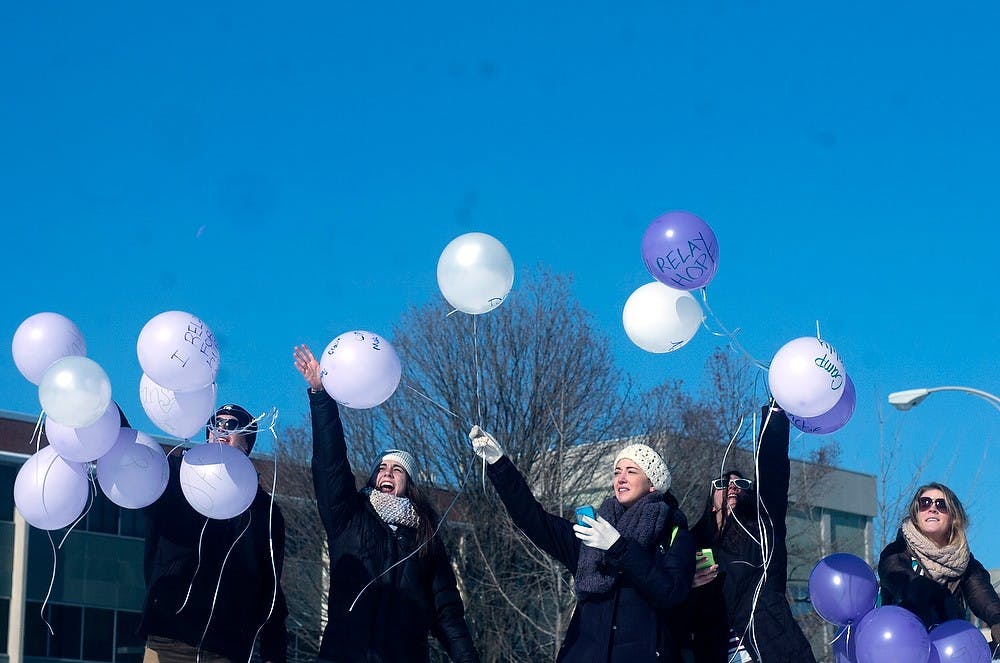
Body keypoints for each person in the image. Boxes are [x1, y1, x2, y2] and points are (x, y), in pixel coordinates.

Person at [293, 344, 479, 663]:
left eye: (397, 469)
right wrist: (321, 396)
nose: (388, 473)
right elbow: (331, 463)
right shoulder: (349, 516)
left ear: (409, 483)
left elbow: (447, 613)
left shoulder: (426, 538)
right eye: (382, 467)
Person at [468, 425, 695, 662]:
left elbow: (671, 592)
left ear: (653, 484)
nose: (621, 478)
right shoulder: (592, 535)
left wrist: (619, 548)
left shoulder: (674, 535)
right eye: (617, 472)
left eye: (631, 471)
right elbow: (533, 519)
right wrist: (499, 464)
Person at [141, 403, 288, 663]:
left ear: (247, 443)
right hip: (169, 640)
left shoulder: (265, 510)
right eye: (214, 423)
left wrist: (273, 653)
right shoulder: (176, 478)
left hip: (227, 650)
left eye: (231, 425)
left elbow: (271, 588)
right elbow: (135, 458)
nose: (220, 428)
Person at [685, 403, 815, 663]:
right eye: (723, 483)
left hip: (771, 646)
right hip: (715, 651)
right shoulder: (695, 544)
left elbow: (773, 472)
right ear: (711, 501)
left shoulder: (762, 528)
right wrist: (687, 585)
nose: (732, 486)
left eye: (740, 484)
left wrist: (775, 418)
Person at [878, 483, 1000, 652]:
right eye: (925, 503)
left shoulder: (965, 562)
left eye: (941, 505)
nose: (932, 509)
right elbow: (896, 575)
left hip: (948, 650)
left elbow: (982, 594)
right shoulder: (897, 552)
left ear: (953, 517)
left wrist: (997, 620)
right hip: (899, 648)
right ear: (916, 513)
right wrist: (934, 593)